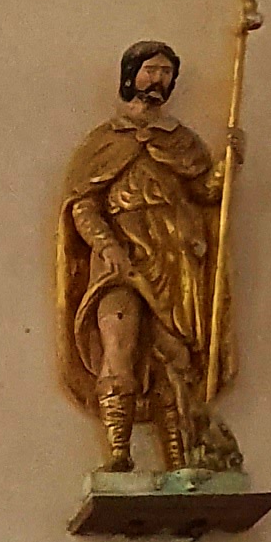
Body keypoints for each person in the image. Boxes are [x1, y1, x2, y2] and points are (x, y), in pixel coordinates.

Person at [53, 39, 236, 476]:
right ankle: (118, 452)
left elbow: (205, 192)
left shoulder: (182, 142)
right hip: (119, 259)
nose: (157, 79)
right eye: (150, 70)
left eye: (166, 72)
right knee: (118, 346)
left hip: (173, 257)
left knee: (174, 358)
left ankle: (179, 459)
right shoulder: (104, 141)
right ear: (131, 74)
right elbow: (83, 204)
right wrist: (108, 246)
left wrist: (228, 164)